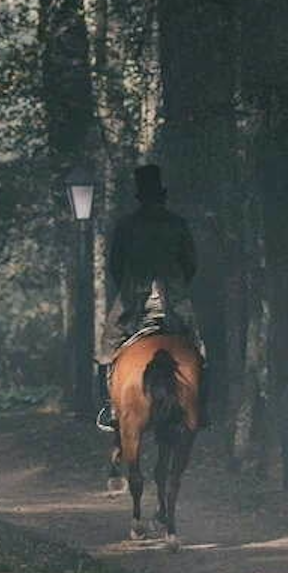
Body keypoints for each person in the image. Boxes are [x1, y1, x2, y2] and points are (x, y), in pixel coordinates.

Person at [96, 163, 200, 430]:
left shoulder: (127, 225)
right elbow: (191, 262)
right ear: (161, 196)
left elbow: (116, 264)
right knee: (198, 348)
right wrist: (176, 283)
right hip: (174, 299)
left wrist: (130, 285)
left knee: (108, 347)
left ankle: (108, 407)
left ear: (140, 197)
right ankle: (199, 406)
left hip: (134, 297)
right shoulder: (177, 224)